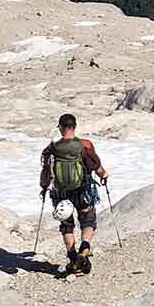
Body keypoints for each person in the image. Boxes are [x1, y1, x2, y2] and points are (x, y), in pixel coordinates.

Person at [39, 113, 108, 276]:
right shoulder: (85, 145)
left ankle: (72, 258)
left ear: (61, 128)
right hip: (83, 190)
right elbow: (96, 167)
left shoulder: (52, 148)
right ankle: (84, 248)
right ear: (74, 127)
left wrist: (44, 187)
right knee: (88, 220)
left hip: (61, 194)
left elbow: (46, 172)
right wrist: (104, 175)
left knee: (67, 226)